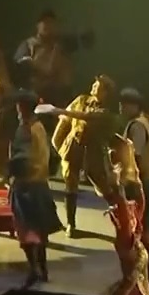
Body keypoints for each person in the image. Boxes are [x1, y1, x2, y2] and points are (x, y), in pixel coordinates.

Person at [13, 10, 94, 175]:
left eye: (51, 23)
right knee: (34, 131)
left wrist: (86, 33)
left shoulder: (62, 44)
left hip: (60, 94)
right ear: (38, 25)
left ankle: (66, 162)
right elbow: (19, 66)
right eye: (45, 23)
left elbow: (83, 41)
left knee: (64, 129)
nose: (48, 27)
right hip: (37, 94)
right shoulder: (29, 45)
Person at [7, 90, 64, 287]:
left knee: (26, 230)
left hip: (26, 185)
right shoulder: (39, 127)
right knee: (40, 229)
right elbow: (53, 156)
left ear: (22, 107)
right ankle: (43, 268)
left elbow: (20, 159)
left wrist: (9, 174)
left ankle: (34, 269)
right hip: (41, 183)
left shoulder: (24, 129)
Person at [51, 75, 116, 236]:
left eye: (98, 86)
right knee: (70, 184)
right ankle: (70, 224)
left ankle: (123, 216)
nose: (93, 87)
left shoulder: (107, 112)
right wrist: (59, 144)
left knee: (104, 186)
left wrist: (62, 111)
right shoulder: (81, 100)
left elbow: (87, 117)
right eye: (94, 84)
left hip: (93, 151)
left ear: (106, 92)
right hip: (73, 147)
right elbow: (65, 119)